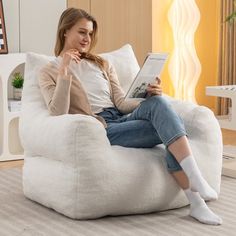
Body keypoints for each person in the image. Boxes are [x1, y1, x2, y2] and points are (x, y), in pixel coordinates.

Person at [39, 8, 222, 225]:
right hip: (102, 126)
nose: (87, 39)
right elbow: (57, 112)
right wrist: (65, 70)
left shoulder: (102, 64)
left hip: (121, 117)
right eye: (81, 32)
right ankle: (196, 200)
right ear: (65, 31)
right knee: (172, 126)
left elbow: (122, 103)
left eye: (90, 33)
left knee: (160, 104)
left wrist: (148, 94)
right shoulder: (49, 71)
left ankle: (196, 185)